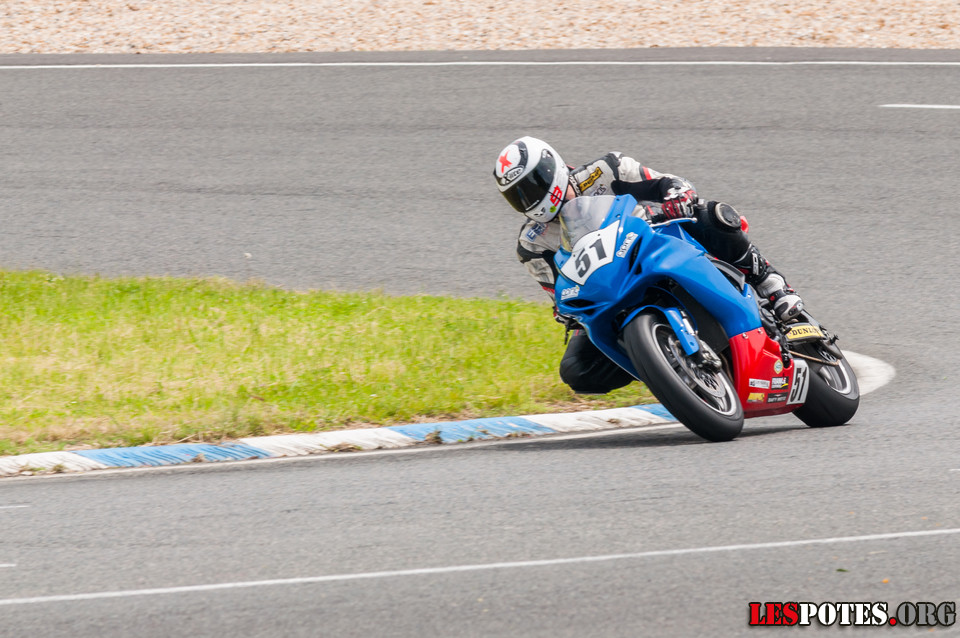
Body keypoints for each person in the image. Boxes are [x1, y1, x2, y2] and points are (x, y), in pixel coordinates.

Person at [493, 135, 804, 395]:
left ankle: (770, 282)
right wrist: (568, 312)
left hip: (654, 246)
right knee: (577, 369)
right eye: (516, 196)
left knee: (707, 213)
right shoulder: (532, 244)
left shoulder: (606, 170)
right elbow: (559, 293)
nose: (527, 200)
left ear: (551, 169)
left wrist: (677, 195)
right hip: (608, 292)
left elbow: (667, 183)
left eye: (530, 187)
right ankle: (666, 367)